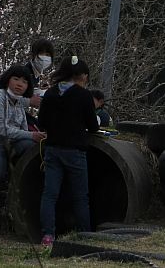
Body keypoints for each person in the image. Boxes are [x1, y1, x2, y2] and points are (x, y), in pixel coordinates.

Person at [37, 53, 99, 252]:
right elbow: (93, 126)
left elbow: (42, 123)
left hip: (53, 150)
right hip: (75, 151)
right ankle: (85, 236)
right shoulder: (83, 95)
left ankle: (47, 235)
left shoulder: (51, 93)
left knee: (49, 194)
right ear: (81, 75)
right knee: (80, 196)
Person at [0, 63, 47, 188]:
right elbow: (2, 130)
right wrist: (32, 135)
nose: (19, 84)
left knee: (31, 146)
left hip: (12, 144)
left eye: (24, 82)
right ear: (8, 80)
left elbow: (23, 129)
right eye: (16, 79)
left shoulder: (18, 102)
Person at [24, 37, 55, 118]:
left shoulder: (36, 74)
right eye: (41, 53)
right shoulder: (25, 73)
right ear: (33, 55)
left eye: (48, 55)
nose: (44, 58)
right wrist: (28, 101)